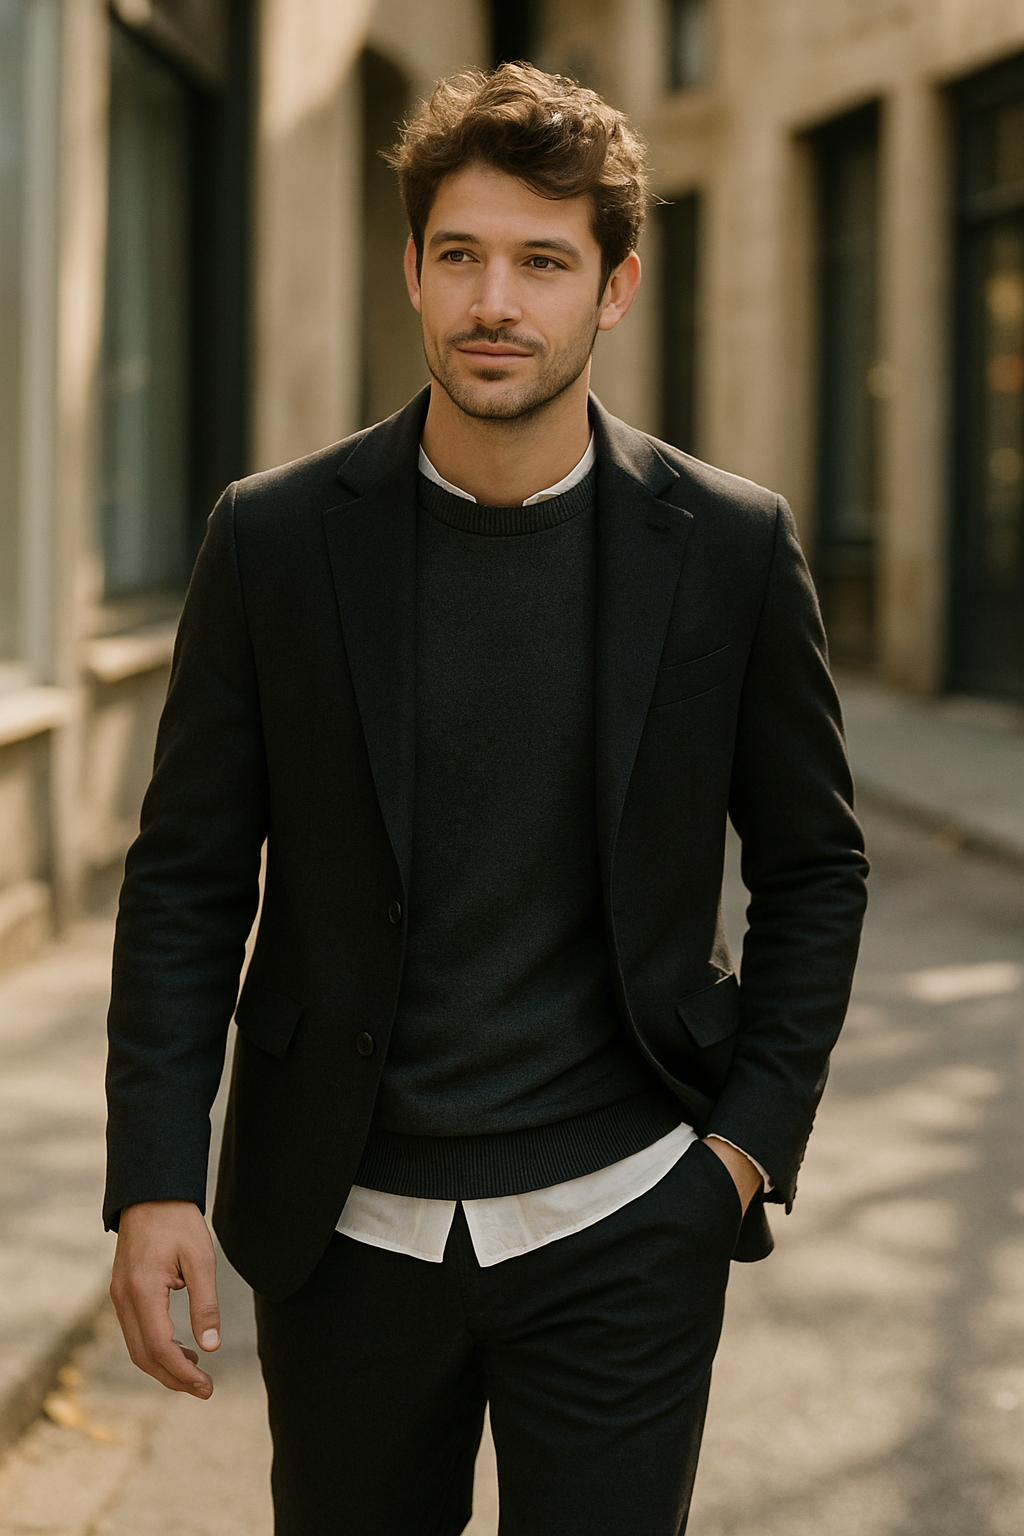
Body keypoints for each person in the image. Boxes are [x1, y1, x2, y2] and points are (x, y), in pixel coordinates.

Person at [105, 63, 868, 1536]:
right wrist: (151, 1180)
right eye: (460, 255)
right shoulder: (273, 542)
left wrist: (740, 1154)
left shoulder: (725, 545)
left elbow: (816, 866)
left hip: (628, 1217)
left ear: (615, 288)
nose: (494, 301)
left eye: (542, 261)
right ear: (412, 269)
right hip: (343, 1230)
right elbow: (186, 875)